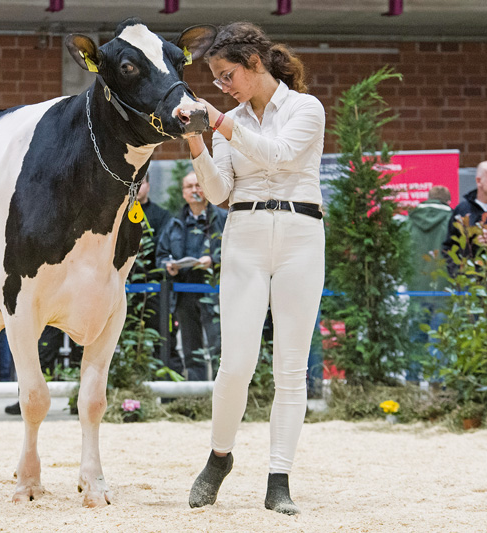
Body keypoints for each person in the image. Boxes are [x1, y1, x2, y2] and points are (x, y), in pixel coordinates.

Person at [184, 22, 326, 515]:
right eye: (217, 80)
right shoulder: (228, 122)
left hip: (301, 237)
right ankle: (218, 458)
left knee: (291, 368)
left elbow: (283, 157)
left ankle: (279, 479)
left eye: (227, 76)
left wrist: (220, 124)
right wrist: (197, 142)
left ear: (255, 64)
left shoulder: (306, 108)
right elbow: (220, 193)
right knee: (236, 364)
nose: (221, 88)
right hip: (243, 235)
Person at [156, 171, 225, 381]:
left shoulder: (222, 219)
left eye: (199, 185)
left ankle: (222, 395)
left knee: (219, 346)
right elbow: (160, 255)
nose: (195, 190)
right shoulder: (174, 222)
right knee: (190, 348)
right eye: (189, 187)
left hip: (214, 293)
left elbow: (235, 250)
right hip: (184, 294)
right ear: (183, 193)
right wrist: (168, 265)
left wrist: (214, 260)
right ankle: (197, 396)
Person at [129, 173, 182, 376]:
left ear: (148, 185)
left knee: (163, 336)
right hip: (128, 286)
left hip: (155, 286)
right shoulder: (120, 213)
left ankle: (168, 383)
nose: (138, 187)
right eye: (134, 183)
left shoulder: (161, 215)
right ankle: (132, 382)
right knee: (130, 336)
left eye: (141, 183)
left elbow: (162, 247)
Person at [405, 186, 452, 382]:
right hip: (443, 288)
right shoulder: (452, 219)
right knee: (439, 337)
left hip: (415, 287)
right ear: (448, 201)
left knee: (416, 336)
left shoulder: (410, 219)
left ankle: (412, 380)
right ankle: (437, 384)